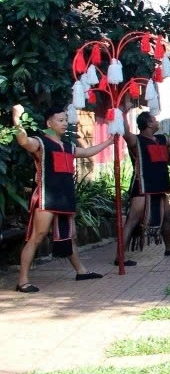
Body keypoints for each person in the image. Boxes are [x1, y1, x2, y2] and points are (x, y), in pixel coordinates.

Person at [11, 104, 112, 293]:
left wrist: (109, 141)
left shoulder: (68, 147)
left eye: (66, 120)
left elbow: (87, 152)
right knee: (37, 237)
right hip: (46, 198)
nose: (65, 123)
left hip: (65, 199)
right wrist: (17, 119)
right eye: (61, 120)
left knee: (68, 237)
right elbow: (23, 141)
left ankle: (81, 271)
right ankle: (22, 281)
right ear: (49, 123)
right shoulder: (41, 143)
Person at [120, 110, 170, 263]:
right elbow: (125, 132)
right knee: (132, 220)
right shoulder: (136, 141)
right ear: (148, 123)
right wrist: (123, 112)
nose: (157, 122)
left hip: (160, 187)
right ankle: (119, 257)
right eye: (154, 119)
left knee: (167, 216)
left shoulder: (162, 139)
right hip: (143, 187)